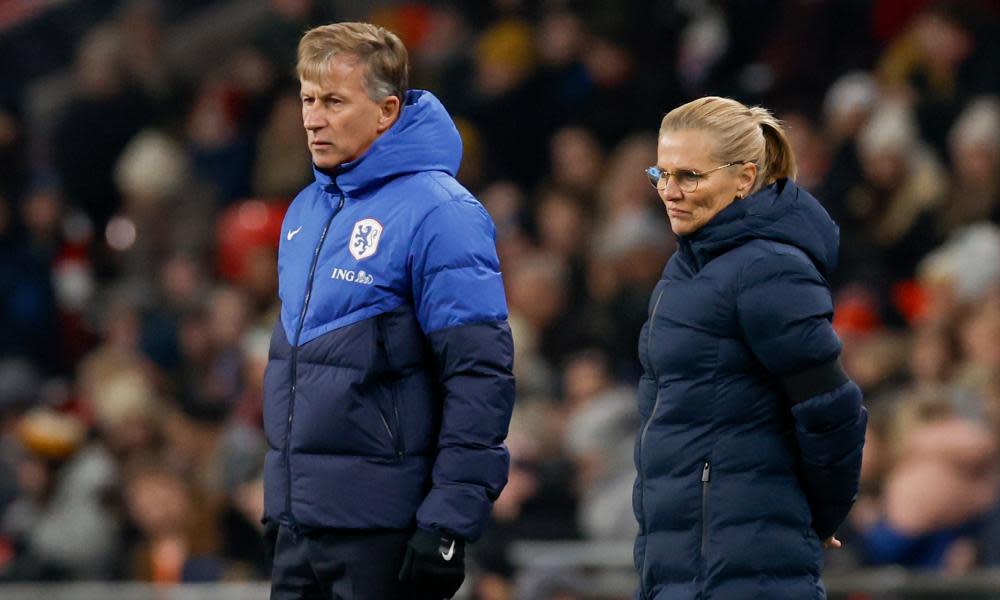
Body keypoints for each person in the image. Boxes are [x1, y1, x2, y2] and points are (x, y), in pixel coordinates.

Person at [262, 22, 515, 599]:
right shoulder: (305, 210)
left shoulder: (440, 211)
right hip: (303, 527)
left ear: (386, 110)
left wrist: (450, 521)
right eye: (306, 99)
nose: (312, 118)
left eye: (333, 101)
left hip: (387, 532)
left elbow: (480, 377)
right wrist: (284, 502)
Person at [633, 96, 867, 599]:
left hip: (746, 572)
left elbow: (833, 407)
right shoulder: (685, 269)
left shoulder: (769, 269)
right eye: (661, 173)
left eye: (689, 176)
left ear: (744, 178)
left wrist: (820, 514)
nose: (669, 192)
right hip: (682, 566)